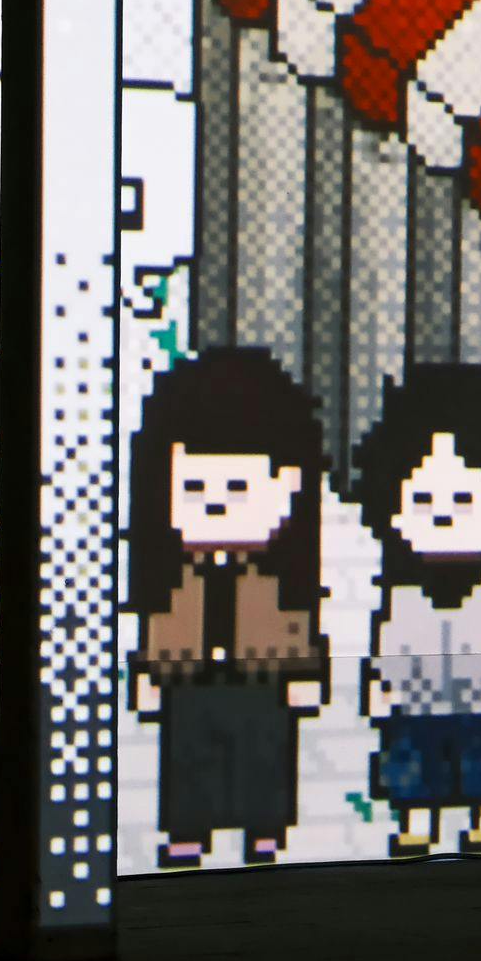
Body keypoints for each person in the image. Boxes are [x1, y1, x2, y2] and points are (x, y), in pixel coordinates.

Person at [126, 347, 327, 869]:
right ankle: (188, 834)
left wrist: (305, 676)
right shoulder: (174, 579)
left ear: (287, 489)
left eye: (238, 487)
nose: (215, 503)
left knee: (263, 754)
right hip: (187, 681)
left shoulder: (283, 579)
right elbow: (156, 623)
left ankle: (264, 834)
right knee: (189, 757)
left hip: (263, 679)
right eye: (194, 487)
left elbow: (301, 621)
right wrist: (148, 676)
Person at [354, 363, 481, 859]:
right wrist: (382, 686)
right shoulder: (403, 597)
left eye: (463, 499)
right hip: (417, 709)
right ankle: (416, 826)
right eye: (423, 499)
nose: (442, 516)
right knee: (412, 768)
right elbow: (392, 645)